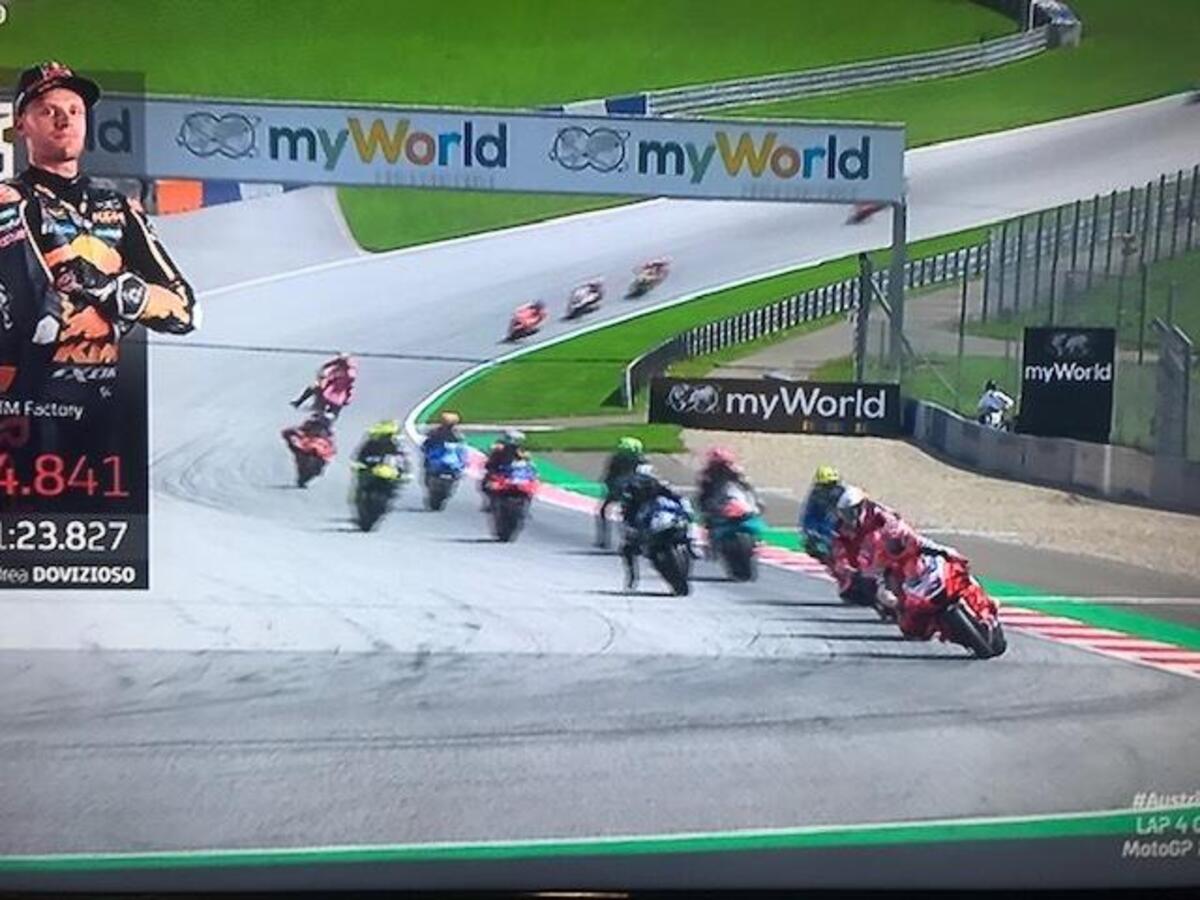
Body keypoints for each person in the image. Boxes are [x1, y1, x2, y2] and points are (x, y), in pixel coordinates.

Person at [0, 62, 199, 461]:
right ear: (21, 125)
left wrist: (108, 288)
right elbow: (34, 316)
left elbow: (185, 312)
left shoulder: (118, 207)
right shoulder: (9, 201)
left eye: (74, 111)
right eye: (48, 111)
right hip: (21, 408)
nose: (64, 120)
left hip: (105, 408)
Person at [873, 519, 969, 639]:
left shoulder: (914, 540)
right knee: (909, 628)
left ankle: (982, 607)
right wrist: (888, 595)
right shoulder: (882, 556)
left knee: (961, 574)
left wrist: (954, 555)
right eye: (891, 543)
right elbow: (881, 581)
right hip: (908, 589)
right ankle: (936, 627)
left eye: (898, 541)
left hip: (928, 574)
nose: (896, 545)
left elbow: (936, 547)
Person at [618, 462, 695, 590]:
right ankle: (632, 577)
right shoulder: (631, 495)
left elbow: (680, 499)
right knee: (627, 548)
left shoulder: (662, 488)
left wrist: (686, 510)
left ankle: (691, 547)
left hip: (666, 521)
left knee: (685, 530)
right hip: (646, 527)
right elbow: (625, 513)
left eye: (647, 482)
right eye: (641, 482)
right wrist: (630, 529)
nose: (643, 486)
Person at [829, 484, 901, 603]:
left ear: (860, 506)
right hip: (864, 564)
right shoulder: (842, 527)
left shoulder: (877, 512)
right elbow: (839, 550)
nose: (847, 516)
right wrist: (845, 567)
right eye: (844, 513)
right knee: (849, 593)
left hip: (887, 550)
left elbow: (896, 522)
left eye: (849, 512)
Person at [696, 447, 760, 556]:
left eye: (724, 464)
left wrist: (754, 503)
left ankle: (756, 542)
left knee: (753, 519)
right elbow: (703, 497)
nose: (722, 469)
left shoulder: (737, 474)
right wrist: (707, 509)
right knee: (709, 525)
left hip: (737, 506)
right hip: (718, 508)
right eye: (718, 465)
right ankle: (713, 548)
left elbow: (748, 489)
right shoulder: (707, 477)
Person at [595, 435, 645, 548]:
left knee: (604, 510)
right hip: (633, 489)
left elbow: (609, 476)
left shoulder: (616, 459)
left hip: (619, 489)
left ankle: (604, 539)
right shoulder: (640, 461)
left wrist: (607, 484)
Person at [799, 464, 845, 562]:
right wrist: (810, 532)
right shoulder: (816, 496)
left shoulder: (843, 493)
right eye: (827, 485)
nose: (831, 488)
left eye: (833, 484)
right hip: (824, 530)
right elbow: (809, 516)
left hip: (841, 527)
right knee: (812, 545)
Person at [292, 352, 357, 417]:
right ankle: (299, 401)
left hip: (340, 388)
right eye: (340, 361)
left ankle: (331, 411)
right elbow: (325, 367)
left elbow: (350, 380)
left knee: (339, 400)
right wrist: (322, 373)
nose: (340, 363)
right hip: (331, 384)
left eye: (343, 362)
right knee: (314, 387)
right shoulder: (336, 364)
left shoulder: (350, 371)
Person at [481, 428, 531, 510]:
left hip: (513, 473)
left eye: (517, 440)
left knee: (528, 485)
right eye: (514, 440)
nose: (515, 442)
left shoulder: (520, 450)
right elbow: (491, 455)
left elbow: (526, 461)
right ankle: (491, 501)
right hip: (498, 470)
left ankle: (524, 505)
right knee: (487, 483)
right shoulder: (499, 447)